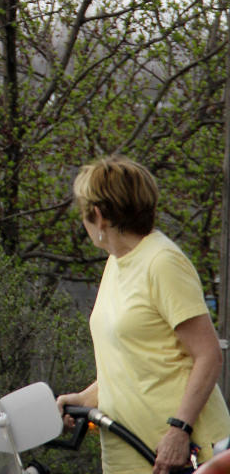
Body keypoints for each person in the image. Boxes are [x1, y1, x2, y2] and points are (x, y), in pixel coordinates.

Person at [56, 155, 230, 474]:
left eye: (83, 212)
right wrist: (84, 398)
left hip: (180, 456)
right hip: (131, 457)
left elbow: (208, 355)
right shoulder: (117, 262)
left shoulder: (162, 262)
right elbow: (133, 361)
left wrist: (180, 429)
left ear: (98, 215)